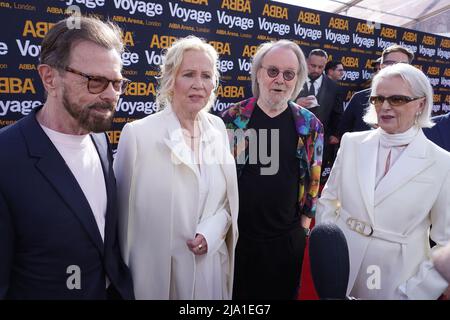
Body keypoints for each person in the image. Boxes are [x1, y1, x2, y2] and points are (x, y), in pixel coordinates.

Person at [0, 16, 134, 299]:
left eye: (117, 83)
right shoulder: (6, 158)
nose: (111, 95)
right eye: (96, 81)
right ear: (49, 77)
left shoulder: (100, 138)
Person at [114, 36, 238, 300]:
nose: (198, 84)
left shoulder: (217, 128)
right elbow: (121, 221)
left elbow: (227, 202)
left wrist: (212, 232)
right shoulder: (139, 135)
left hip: (210, 272)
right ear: (170, 79)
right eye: (189, 74)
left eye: (206, 75)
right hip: (159, 279)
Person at [316, 63, 450, 299]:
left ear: (420, 103)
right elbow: (328, 200)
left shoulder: (441, 162)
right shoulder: (352, 143)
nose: (385, 107)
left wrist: (415, 293)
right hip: (342, 268)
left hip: (398, 280)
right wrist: (331, 254)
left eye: (397, 99)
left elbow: (446, 244)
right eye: (379, 99)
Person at [222, 40, 324, 299]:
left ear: (297, 78)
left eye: (289, 74)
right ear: (258, 73)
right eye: (273, 71)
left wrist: (303, 225)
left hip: (286, 241)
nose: (280, 79)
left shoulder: (310, 125)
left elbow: (314, 179)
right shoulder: (233, 118)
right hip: (237, 238)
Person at [339, 45, 414, 136]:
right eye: (390, 63)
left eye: (402, 64)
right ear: (381, 66)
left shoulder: (416, 101)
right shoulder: (359, 98)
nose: (396, 68)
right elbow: (344, 129)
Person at [296, 49, 342, 185]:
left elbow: (337, 114)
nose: (316, 69)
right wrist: (295, 103)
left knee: (315, 179)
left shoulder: (334, 87)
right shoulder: (294, 79)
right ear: (307, 63)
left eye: (320, 67)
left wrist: (335, 135)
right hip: (295, 137)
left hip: (321, 141)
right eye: (312, 65)